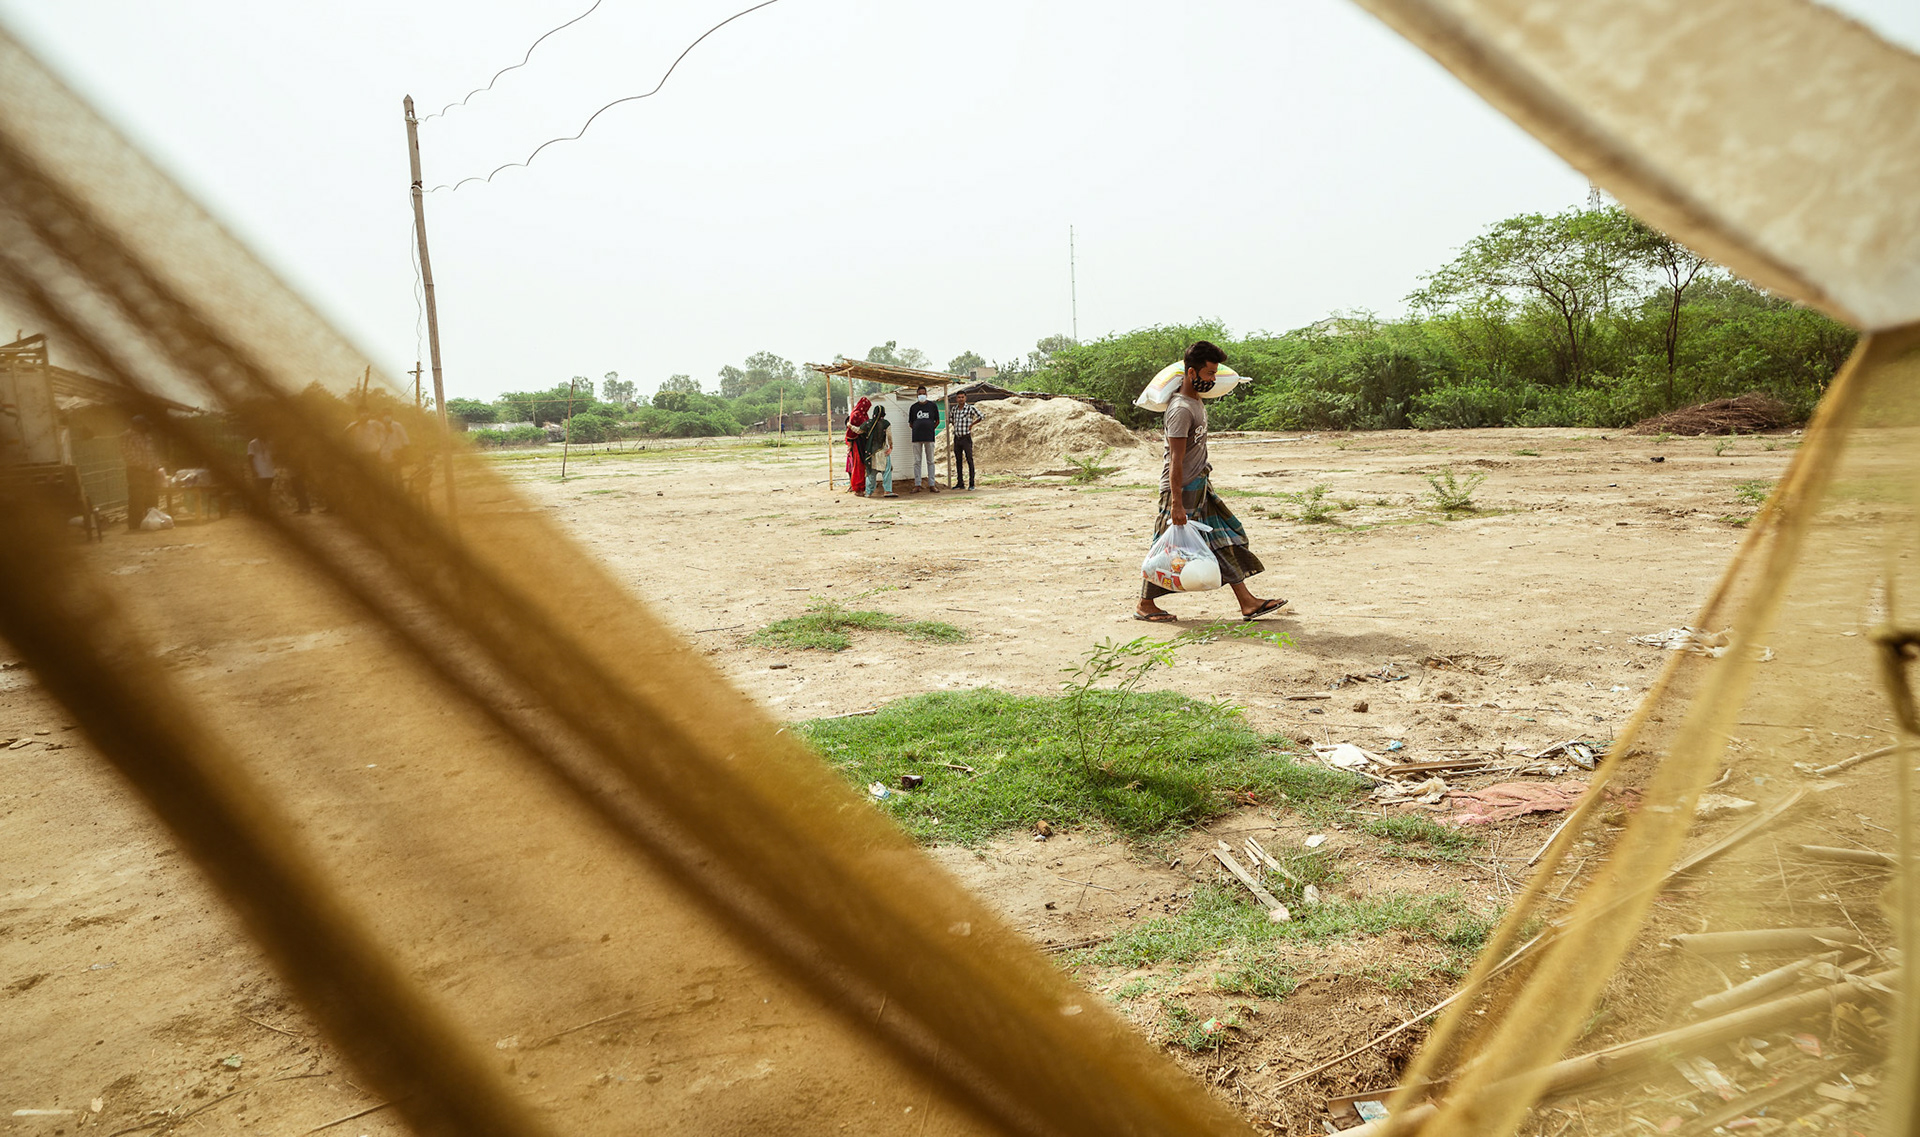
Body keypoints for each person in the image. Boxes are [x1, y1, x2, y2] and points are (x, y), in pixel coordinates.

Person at [1135, 340, 1285, 623]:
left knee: (1223, 539)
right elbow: (1175, 460)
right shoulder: (1180, 409)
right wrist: (1177, 504)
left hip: (1201, 485)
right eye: (1209, 374)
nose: (1213, 379)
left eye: (1215, 374)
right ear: (1191, 373)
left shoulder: (1196, 402)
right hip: (1182, 488)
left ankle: (1247, 602)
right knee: (1167, 546)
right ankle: (1145, 603)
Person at [120, 414, 164, 532]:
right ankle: (135, 524)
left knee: (152, 496)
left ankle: (152, 522)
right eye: (144, 425)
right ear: (138, 425)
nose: (146, 427)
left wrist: (156, 466)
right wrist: (141, 464)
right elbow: (127, 454)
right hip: (136, 471)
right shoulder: (127, 436)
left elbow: (152, 453)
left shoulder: (147, 436)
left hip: (150, 471)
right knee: (137, 497)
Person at [906, 386, 941, 493]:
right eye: (920, 393)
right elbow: (911, 423)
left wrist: (930, 428)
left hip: (929, 437)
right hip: (916, 437)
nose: (922, 395)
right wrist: (918, 429)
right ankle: (917, 484)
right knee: (917, 461)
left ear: (926, 394)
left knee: (930, 461)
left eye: (923, 393)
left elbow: (937, 421)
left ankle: (932, 484)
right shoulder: (913, 407)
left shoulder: (932, 406)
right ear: (917, 395)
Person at [859, 405, 897, 498]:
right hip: (883, 452)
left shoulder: (868, 423)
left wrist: (849, 425)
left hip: (871, 453)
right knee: (886, 471)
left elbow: (858, 431)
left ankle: (868, 492)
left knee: (871, 473)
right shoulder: (886, 423)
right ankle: (887, 491)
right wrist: (891, 447)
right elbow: (889, 436)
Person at [949, 393, 980, 489]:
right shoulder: (954, 409)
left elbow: (981, 416)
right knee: (958, 461)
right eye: (959, 397)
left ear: (965, 398)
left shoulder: (970, 408)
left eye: (962, 397)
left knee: (969, 460)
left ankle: (971, 484)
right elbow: (950, 419)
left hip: (966, 438)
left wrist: (972, 424)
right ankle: (960, 483)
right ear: (956, 399)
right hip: (957, 438)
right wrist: (955, 425)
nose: (961, 399)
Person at [844, 396, 871, 495]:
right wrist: (850, 444)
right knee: (858, 465)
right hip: (857, 443)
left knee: (864, 465)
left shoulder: (864, 415)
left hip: (864, 442)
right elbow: (851, 432)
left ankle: (863, 486)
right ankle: (857, 487)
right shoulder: (856, 415)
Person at [246, 436, 276, 509]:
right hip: (259, 472)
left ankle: (265, 509)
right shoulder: (252, 443)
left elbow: (274, 456)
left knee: (267, 492)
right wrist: (253, 471)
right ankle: (259, 509)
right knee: (260, 492)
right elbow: (250, 458)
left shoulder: (270, 443)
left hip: (269, 472)